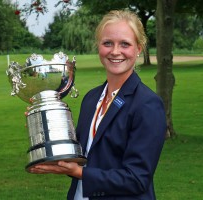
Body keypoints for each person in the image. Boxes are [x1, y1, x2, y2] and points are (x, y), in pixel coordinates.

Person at [31, 10, 167, 200]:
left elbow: (137, 179)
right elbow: (80, 155)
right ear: (99, 47)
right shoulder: (91, 98)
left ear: (139, 48)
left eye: (125, 44)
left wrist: (80, 173)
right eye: (107, 43)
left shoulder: (148, 104)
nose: (115, 51)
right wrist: (43, 118)